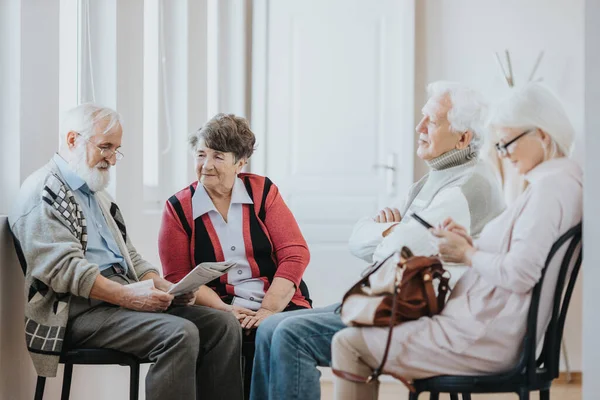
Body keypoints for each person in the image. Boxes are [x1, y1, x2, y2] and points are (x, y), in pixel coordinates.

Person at [250, 81, 506, 400]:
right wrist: (391, 231)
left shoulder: (468, 186)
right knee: (270, 328)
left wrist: (391, 236)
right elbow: (359, 239)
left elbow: (399, 249)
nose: (419, 126)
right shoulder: (430, 181)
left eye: (433, 121)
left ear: (463, 138)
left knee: (288, 333)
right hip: (385, 298)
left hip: (415, 312)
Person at [331, 83, 582, 400]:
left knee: (348, 343)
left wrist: (467, 253)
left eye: (507, 143)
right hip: (480, 325)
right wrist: (470, 245)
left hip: (480, 335)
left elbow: (520, 273)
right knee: (366, 323)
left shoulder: (549, 190)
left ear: (542, 136)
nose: (503, 154)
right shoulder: (559, 182)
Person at [9, 104, 243, 400]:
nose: (112, 159)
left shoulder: (97, 194)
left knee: (222, 325)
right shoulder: (42, 192)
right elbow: (64, 271)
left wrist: (165, 287)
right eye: (105, 147)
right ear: (72, 140)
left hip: (118, 301)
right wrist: (129, 296)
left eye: (116, 150)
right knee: (179, 333)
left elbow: (130, 258)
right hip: (79, 311)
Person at [158, 113, 312, 398]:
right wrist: (223, 308)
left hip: (277, 299)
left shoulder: (263, 192)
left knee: (280, 334)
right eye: (201, 154)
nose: (206, 165)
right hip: (219, 306)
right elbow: (178, 277)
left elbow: (295, 253)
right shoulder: (178, 208)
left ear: (240, 162)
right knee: (225, 332)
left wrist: (268, 310)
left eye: (218, 156)